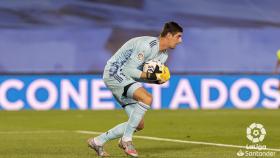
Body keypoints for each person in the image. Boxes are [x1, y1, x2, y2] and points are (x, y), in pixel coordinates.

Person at [87, 21, 183, 157]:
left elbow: (140, 76)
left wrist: (155, 80)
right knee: (147, 98)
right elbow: (128, 70)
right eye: (178, 36)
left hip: (125, 77)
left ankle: (97, 141)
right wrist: (151, 76)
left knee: (138, 124)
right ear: (168, 35)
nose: (180, 40)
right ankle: (126, 140)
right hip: (114, 72)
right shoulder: (147, 46)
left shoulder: (163, 55)